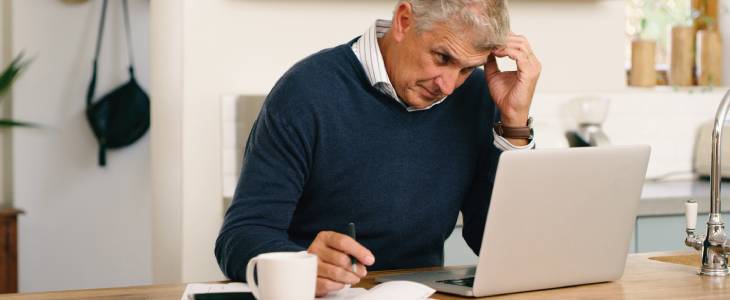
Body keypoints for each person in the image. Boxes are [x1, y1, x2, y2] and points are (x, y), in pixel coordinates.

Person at [215, 0, 540, 296]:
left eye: (468, 69)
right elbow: (241, 234)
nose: (448, 85)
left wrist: (514, 126)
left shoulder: (476, 97)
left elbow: (503, 248)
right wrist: (301, 264)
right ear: (403, 20)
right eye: (442, 58)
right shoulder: (307, 91)